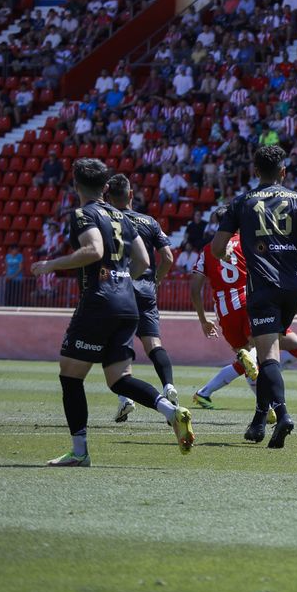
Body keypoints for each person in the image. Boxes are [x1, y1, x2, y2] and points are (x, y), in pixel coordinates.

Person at [31, 158, 193, 466]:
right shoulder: (122, 216)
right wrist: (121, 278)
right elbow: (144, 261)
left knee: (70, 375)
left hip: (98, 304)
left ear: (75, 186)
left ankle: (79, 453)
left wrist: (50, 265)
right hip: (128, 303)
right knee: (119, 379)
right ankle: (172, 412)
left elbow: (93, 250)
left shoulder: (83, 213)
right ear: (106, 187)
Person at [211, 144, 297, 448]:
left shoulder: (241, 202)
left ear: (256, 171)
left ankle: (283, 414)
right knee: (267, 350)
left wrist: (224, 255)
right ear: (284, 172)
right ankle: (259, 419)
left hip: (263, 285)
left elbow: (217, 247)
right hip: (294, 285)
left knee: (267, 355)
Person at [188, 233, 297, 411]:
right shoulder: (247, 241)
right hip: (251, 303)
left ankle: (205, 392)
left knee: (249, 360)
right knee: (292, 349)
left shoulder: (208, 249)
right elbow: (267, 273)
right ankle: (266, 403)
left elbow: (195, 288)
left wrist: (203, 320)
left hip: (225, 312)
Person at [105, 174, 179, 422]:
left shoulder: (106, 220)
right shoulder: (149, 221)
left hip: (119, 289)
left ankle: (125, 399)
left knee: (118, 345)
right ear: (130, 194)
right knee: (153, 344)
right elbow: (168, 258)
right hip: (145, 289)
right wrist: (155, 279)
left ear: (107, 197)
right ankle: (168, 385)